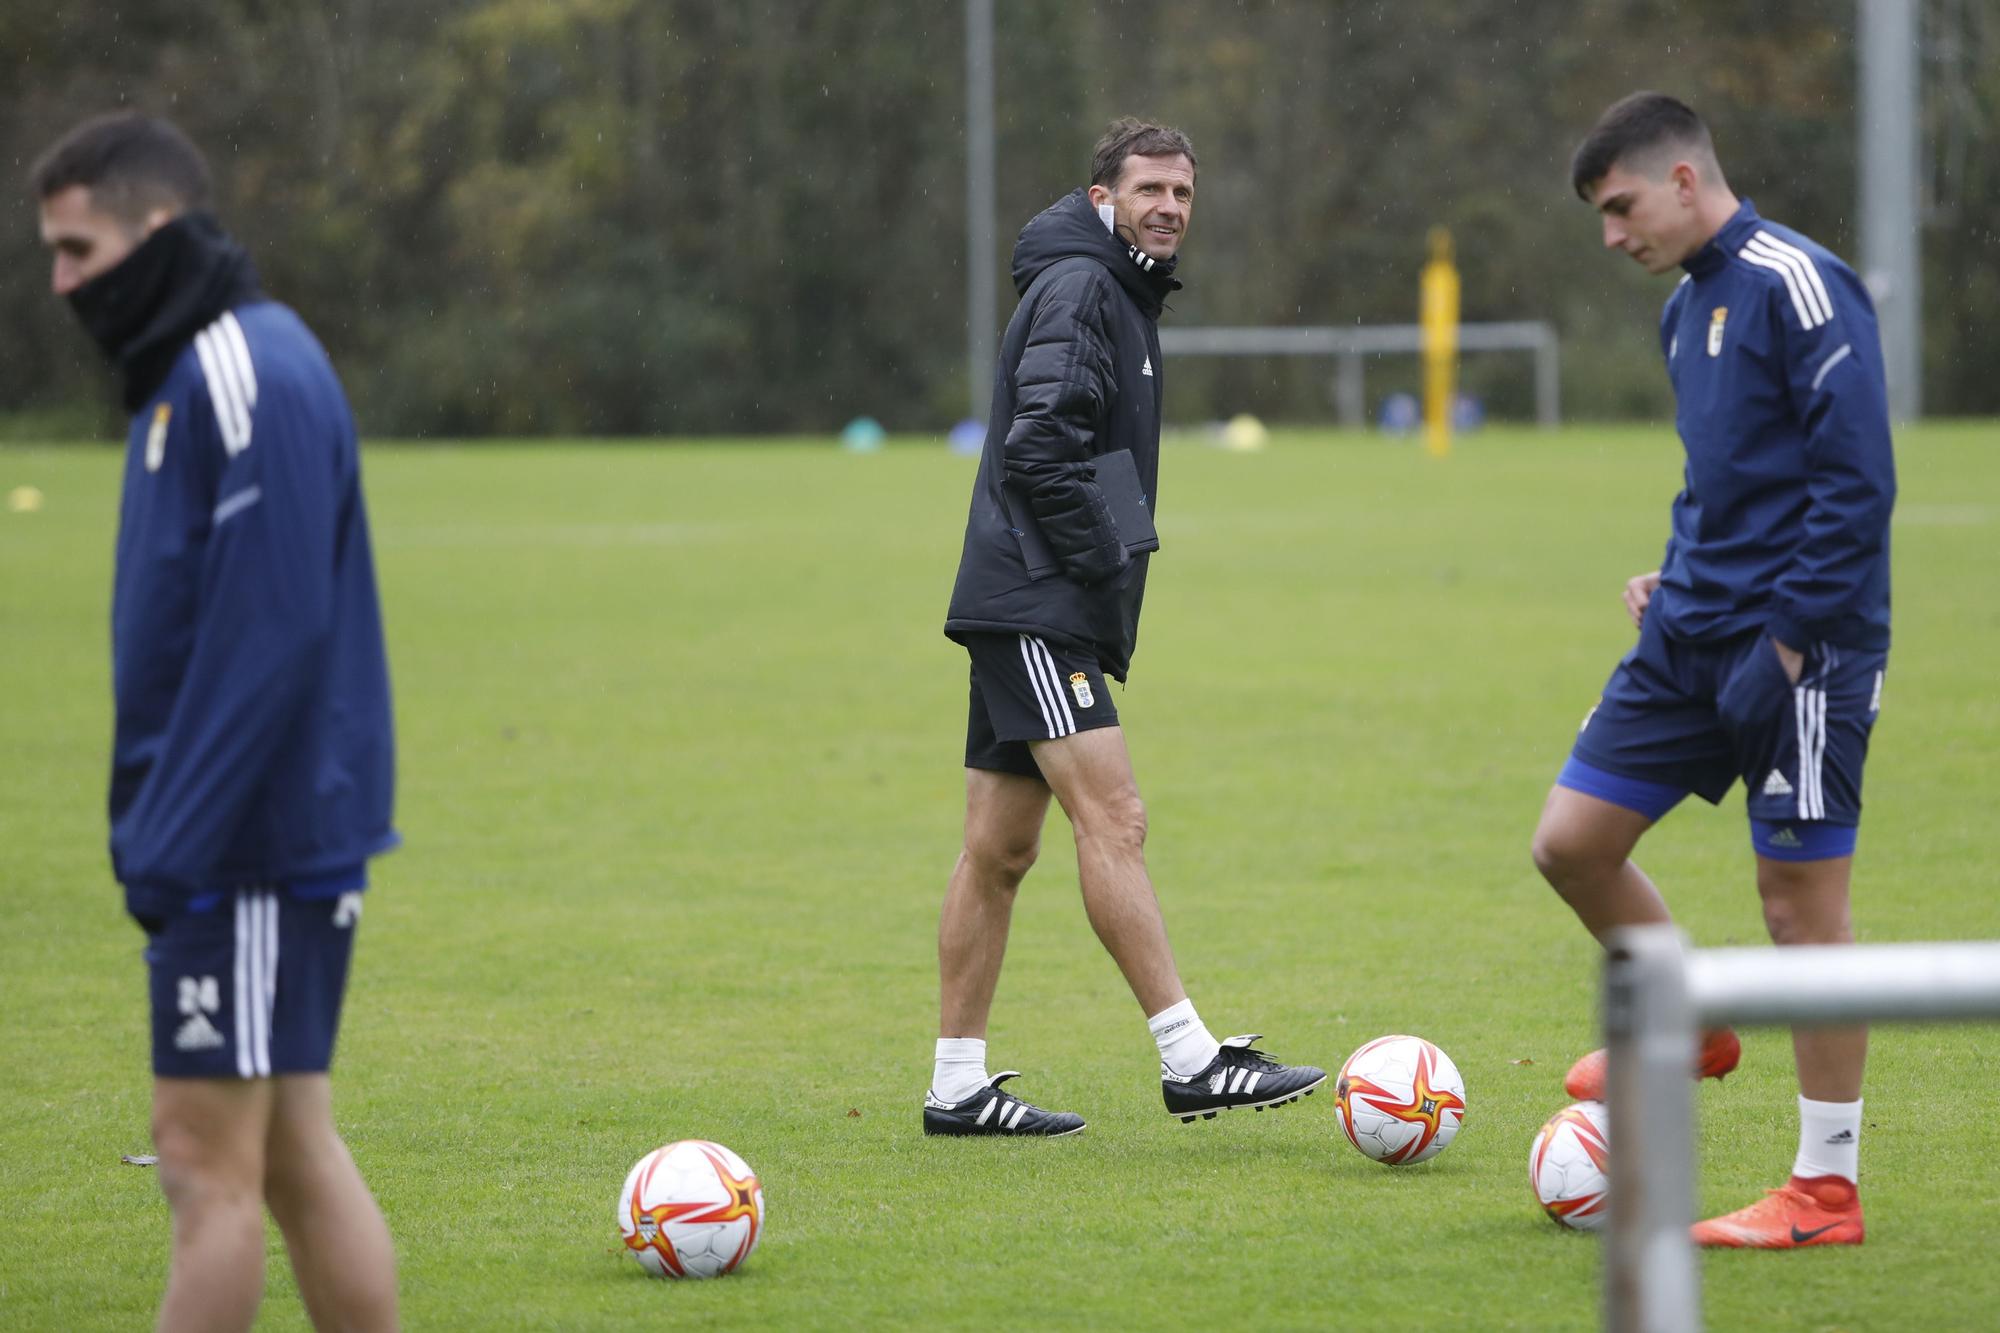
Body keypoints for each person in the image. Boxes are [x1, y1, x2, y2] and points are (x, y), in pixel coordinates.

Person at [34, 112, 401, 1327]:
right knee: (291, 1153)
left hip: (245, 852)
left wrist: (170, 845)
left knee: (204, 1170)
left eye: (79, 250)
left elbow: (274, 631)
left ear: (158, 230)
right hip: (239, 845)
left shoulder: (247, 370)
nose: (61, 282)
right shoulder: (187, 377)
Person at [1534, 92, 1895, 1247]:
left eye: (1620, 206)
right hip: (1685, 634)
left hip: (1803, 651)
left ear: (1684, 181)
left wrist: (1785, 640)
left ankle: (1821, 1190)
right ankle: (1687, 1021)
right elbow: (1726, 479)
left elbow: (1856, 487)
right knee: (1571, 842)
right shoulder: (1683, 308)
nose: (1610, 235)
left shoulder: (1799, 285)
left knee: (1799, 913)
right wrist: (1671, 571)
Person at [928, 118, 1324, 1136]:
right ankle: (1190, 1059)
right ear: (1102, 198)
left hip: (1026, 596)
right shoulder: (1082, 287)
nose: (1169, 208)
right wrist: (1104, 556)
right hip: (1036, 601)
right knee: (1116, 819)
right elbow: (1038, 446)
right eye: (1150, 189)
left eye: (1183, 194)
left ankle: (955, 1087)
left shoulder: (1116, 288)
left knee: (996, 849)